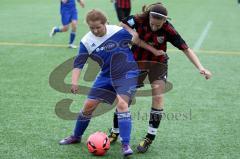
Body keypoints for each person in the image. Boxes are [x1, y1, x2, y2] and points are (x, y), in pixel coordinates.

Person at [108, 2, 212, 153]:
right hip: (137, 61)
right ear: (149, 16)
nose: (155, 27)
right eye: (152, 24)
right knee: (125, 98)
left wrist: (201, 67)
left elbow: (186, 49)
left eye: (158, 25)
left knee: (158, 96)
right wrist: (133, 33)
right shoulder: (138, 19)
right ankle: (115, 131)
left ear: (165, 21)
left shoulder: (169, 30)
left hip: (158, 64)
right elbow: (122, 24)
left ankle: (149, 137)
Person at [58, 9, 140, 157]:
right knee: (88, 106)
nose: (95, 30)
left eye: (98, 27)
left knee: (122, 104)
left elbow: (136, 39)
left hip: (126, 73)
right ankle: (76, 136)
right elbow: (79, 63)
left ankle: (125, 144)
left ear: (105, 23)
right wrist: (74, 82)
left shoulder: (118, 32)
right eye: (92, 28)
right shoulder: (86, 41)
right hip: (105, 75)